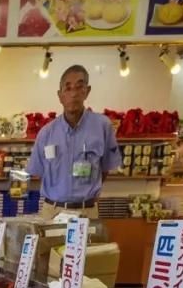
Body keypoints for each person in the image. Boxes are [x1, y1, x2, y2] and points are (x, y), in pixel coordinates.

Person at [26, 65, 122, 220]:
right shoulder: (46, 133)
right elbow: (40, 173)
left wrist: (85, 193)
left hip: (87, 212)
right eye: (68, 88)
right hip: (52, 212)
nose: (74, 94)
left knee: (90, 245)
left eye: (79, 87)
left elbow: (105, 169)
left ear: (87, 91)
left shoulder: (102, 127)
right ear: (60, 95)